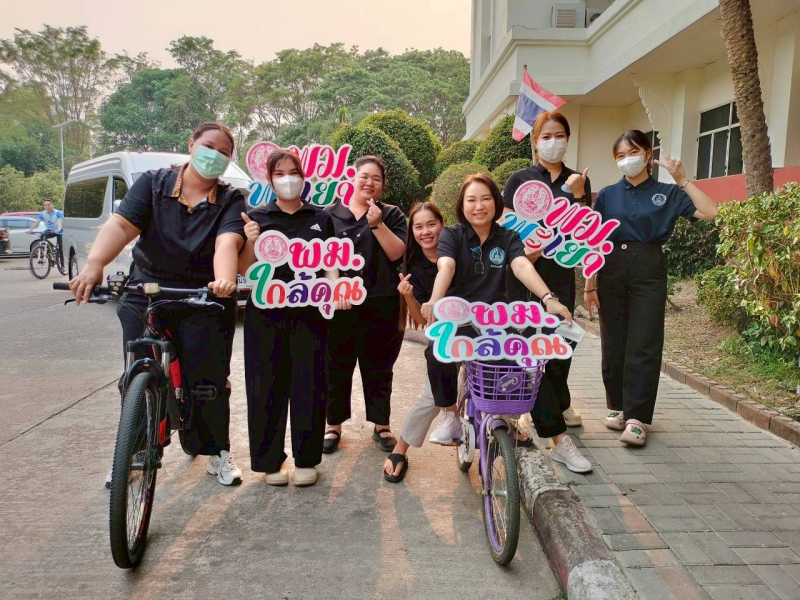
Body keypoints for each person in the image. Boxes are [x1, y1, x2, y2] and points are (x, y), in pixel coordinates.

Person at [69, 121, 246, 486]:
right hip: (147, 289)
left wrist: (224, 280)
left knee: (208, 380)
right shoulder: (152, 184)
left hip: (203, 297)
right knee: (137, 372)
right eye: (208, 146)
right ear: (191, 144)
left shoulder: (231, 199)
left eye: (224, 152)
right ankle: (132, 452)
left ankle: (215, 451)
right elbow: (121, 226)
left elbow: (227, 243)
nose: (214, 155)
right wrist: (94, 264)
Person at [584, 130, 718, 447]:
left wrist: (683, 180)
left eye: (632, 152)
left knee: (644, 340)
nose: (626, 160)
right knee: (613, 340)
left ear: (647, 154)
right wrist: (590, 284)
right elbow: (594, 241)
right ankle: (618, 406)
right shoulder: (606, 195)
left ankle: (637, 418)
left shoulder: (667, 193)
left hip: (648, 265)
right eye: (619, 156)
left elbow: (710, 212)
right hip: (611, 267)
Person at [420, 174, 573, 445]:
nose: (479, 206)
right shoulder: (452, 235)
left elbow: (521, 265)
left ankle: (560, 442)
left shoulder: (508, 237)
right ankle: (450, 415)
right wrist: (435, 299)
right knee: (435, 352)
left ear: (496, 202)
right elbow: (446, 266)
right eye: (471, 200)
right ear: (462, 205)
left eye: (486, 199)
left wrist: (548, 297)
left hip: (498, 321)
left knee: (530, 364)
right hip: (460, 320)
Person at [239, 149, 339, 487]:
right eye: (279, 173)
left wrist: (335, 290)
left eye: (293, 172)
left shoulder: (321, 217)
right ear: (269, 180)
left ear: (303, 176)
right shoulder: (256, 217)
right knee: (265, 385)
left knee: (310, 384)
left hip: (310, 315)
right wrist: (250, 242)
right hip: (264, 316)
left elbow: (330, 261)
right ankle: (270, 461)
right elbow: (245, 269)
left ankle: (306, 459)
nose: (287, 179)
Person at [502, 111, 592, 473]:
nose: (553, 142)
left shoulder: (577, 179)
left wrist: (579, 195)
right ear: (535, 141)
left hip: (561, 274)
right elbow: (505, 226)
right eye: (546, 136)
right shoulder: (520, 180)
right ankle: (555, 434)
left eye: (560, 135)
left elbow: (586, 231)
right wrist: (524, 250)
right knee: (530, 349)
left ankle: (552, 405)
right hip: (525, 276)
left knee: (560, 349)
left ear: (568, 138)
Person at [323, 156, 408, 454]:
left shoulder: (392, 214)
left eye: (376, 178)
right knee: (336, 366)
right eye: (364, 176)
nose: (370, 182)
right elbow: (324, 256)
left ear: (383, 185)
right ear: (352, 178)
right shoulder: (329, 214)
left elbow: (398, 253)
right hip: (340, 306)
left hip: (382, 305)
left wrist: (377, 224)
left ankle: (381, 424)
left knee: (380, 367)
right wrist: (336, 287)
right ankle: (333, 425)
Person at [383, 202, 445, 483]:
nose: (426, 231)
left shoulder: (460, 252)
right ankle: (401, 448)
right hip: (443, 336)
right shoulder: (414, 268)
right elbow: (420, 319)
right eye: (418, 227)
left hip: (478, 331)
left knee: (494, 381)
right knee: (432, 395)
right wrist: (407, 295)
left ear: (442, 225)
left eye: (431, 224)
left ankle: (507, 427)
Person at [28, 199, 64, 269]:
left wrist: (58, 229)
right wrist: (31, 230)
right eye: (45, 205)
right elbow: (37, 223)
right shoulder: (43, 214)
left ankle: (62, 266)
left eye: (48, 205)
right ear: (44, 206)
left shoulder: (57, 213)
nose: (47, 206)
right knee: (42, 236)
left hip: (58, 231)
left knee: (60, 248)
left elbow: (59, 223)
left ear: (52, 205)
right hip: (49, 230)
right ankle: (49, 251)